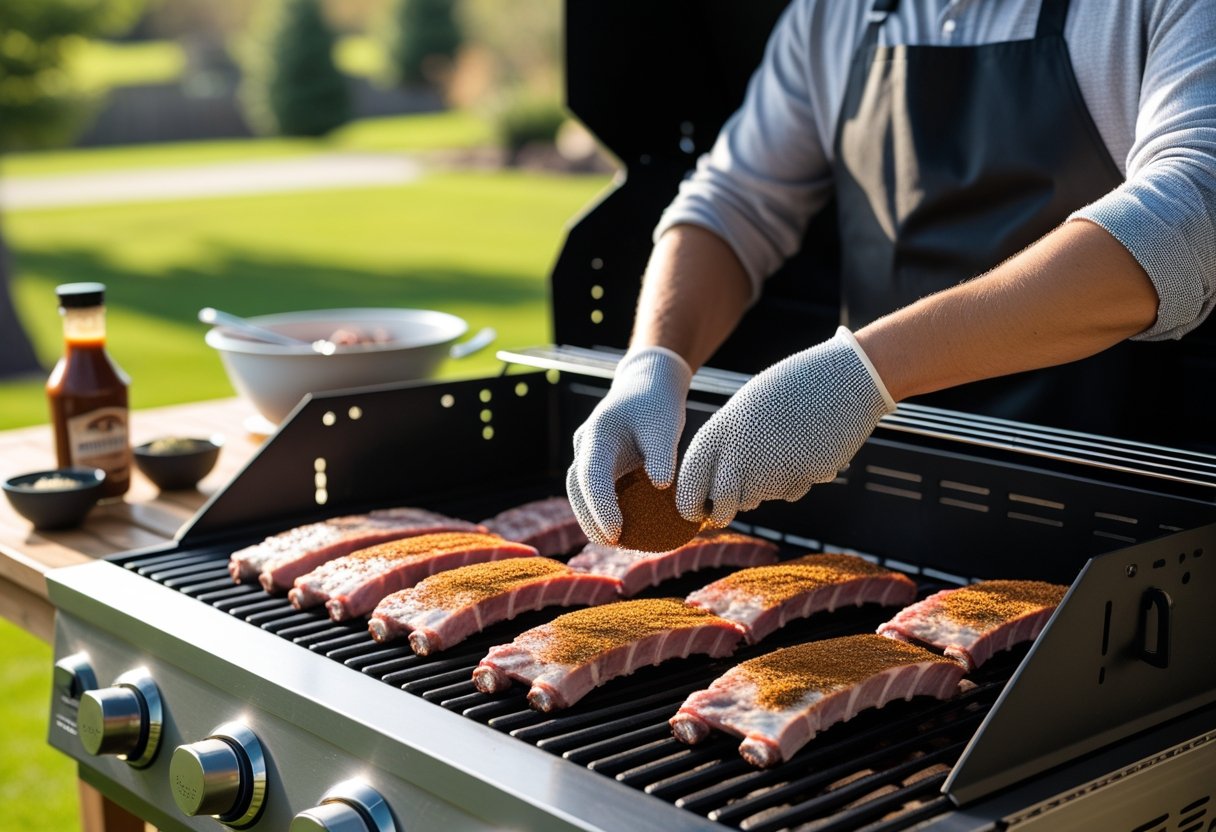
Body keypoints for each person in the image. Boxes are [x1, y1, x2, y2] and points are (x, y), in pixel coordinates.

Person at [566, 0, 1216, 546]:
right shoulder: (834, 13)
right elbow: (733, 202)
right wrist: (654, 362)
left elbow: (1189, 209)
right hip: (866, 497)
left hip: (1094, 507)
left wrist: (867, 371)